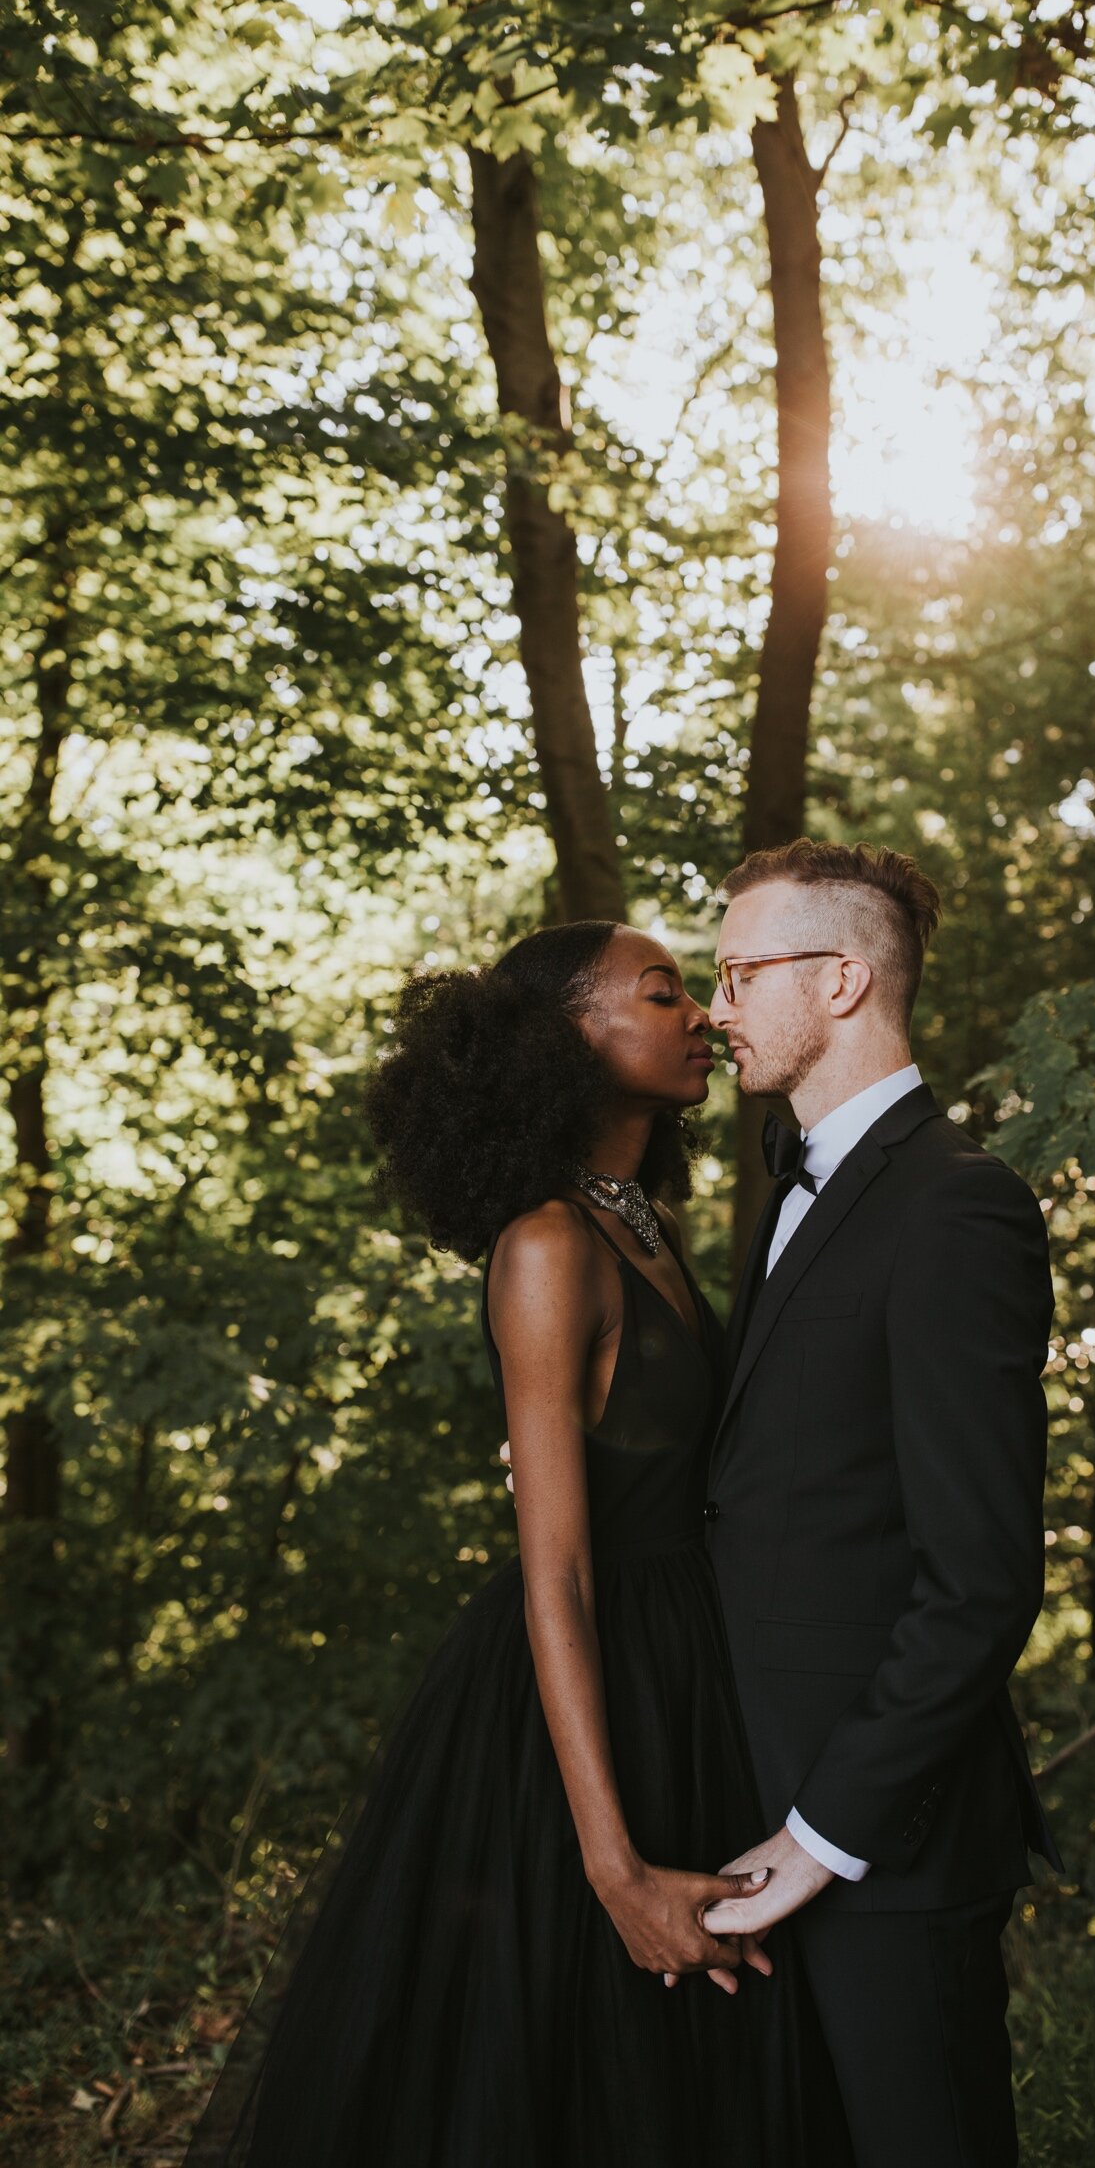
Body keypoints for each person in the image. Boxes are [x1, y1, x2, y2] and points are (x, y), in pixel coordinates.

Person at [184, 919, 852, 2168]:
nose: (701, 1015)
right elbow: (556, 1564)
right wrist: (613, 1869)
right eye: (662, 994)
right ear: (564, 1044)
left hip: (686, 1673)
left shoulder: (642, 1225)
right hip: (581, 1701)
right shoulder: (547, 1246)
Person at [698, 838, 1062, 2168]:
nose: (718, 1008)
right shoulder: (791, 1187)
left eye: (741, 974)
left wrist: (823, 1833)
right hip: (751, 1790)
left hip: (882, 1835)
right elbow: (788, 1478)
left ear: (844, 977)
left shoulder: (957, 1207)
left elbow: (980, 1577)